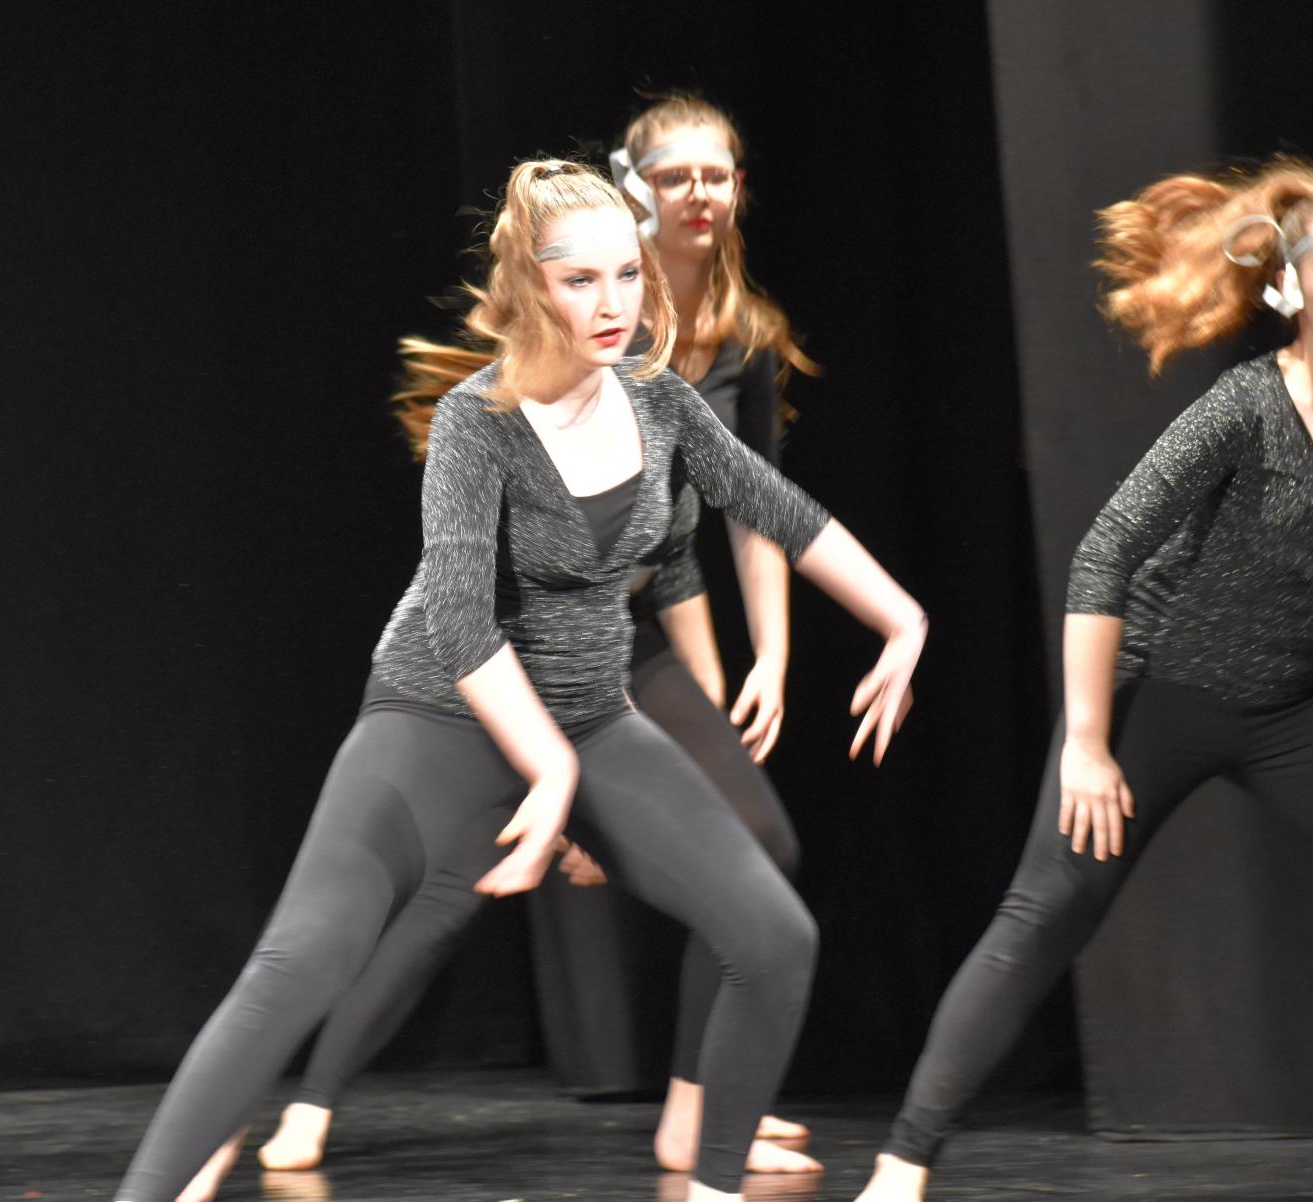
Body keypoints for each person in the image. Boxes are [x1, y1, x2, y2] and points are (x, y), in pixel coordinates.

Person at [117, 157, 928, 1202]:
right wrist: (547, 774)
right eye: (581, 280)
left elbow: (776, 507)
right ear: (531, 287)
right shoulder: (478, 422)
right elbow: (459, 620)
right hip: (439, 714)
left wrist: (899, 617)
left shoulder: (659, 401)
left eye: (627, 275)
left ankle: (713, 1188)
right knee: (300, 963)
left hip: (588, 714)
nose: (613, 303)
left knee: (774, 937)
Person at [853, 159, 1313, 1202]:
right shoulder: (1247, 406)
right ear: (1290, 287)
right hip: (1155, 695)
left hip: (1290, 702)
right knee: (1046, 916)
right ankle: (903, 1162)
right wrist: (1088, 742)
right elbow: (1105, 553)